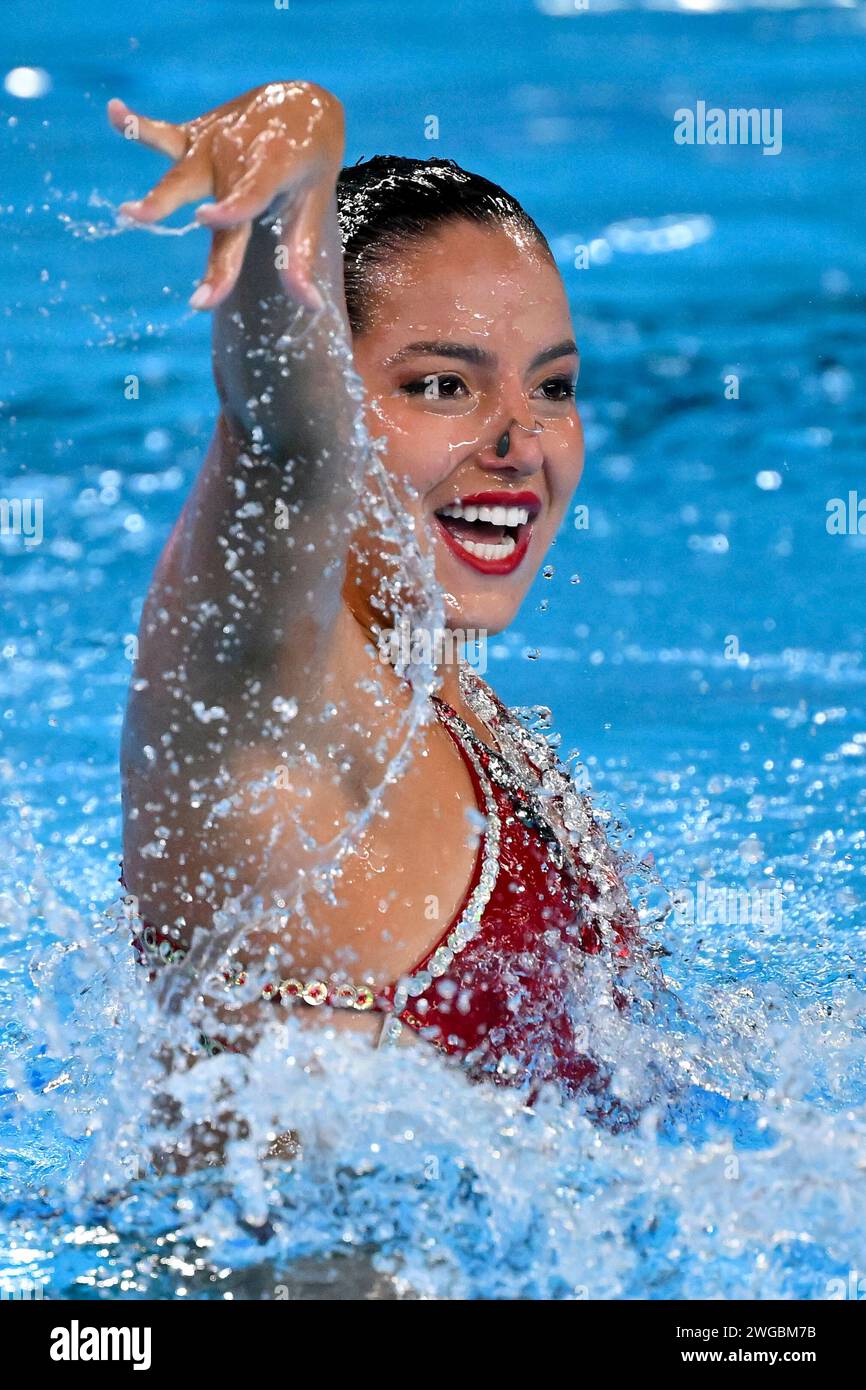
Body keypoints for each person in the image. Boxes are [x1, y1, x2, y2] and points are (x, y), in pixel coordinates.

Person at [111, 80, 643, 1104]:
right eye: (439, 385)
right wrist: (293, 134)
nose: (520, 443)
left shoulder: (443, 689)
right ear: (331, 396)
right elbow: (278, 430)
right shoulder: (262, 678)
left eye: (553, 386)